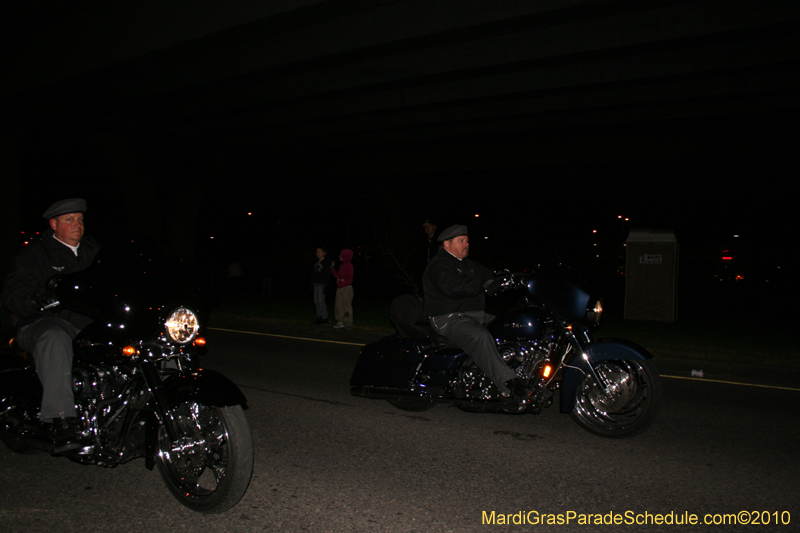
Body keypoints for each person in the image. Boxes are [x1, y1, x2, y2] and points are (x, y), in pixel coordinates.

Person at [1, 198, 100, 455]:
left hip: (88, 323)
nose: (77, 225)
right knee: (54, 336)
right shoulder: (35, 254)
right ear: (54, 224)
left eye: (80, 219)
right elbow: (13, 292)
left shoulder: (94, 251)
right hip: (44, 322)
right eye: (69, 220)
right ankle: (62, 420)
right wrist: (37, 297)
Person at [422, 224, 532, 398]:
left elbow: (488, 275)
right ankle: (508, 384)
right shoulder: (439, 265)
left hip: (474, 315)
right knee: (480, 336)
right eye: (461, 241)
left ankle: (521, 368)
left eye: (467, 240)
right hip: (448, 318)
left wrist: (513, 277)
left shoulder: (469, 265)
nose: (466, 244)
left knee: (513, 325)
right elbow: (452, 286)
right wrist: (481, 284)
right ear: (447, 244)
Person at [331, 249, 354, 329]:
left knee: (346, 306)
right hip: (340, 288)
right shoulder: (342, 266)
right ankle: (340, 321)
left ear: (345, 256)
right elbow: (338, 275)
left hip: (346, 289)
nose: (339, 256)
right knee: (338, 305)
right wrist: (332, 268)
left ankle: (348, 322)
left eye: (341, 255)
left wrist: (342, 279)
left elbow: (349, 277)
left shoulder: (349, 266)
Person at [311, 246, 333, 324]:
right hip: (316, 284)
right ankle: (319, 317)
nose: (317, 253)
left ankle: (325, 317)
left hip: (322, 284)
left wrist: (326, 286)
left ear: (324, 253)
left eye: (319, 252)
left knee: (321, 301)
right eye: (317, 252)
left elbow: (327, 275)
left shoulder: (326, 262)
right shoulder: (316, 262)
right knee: (316, 301)